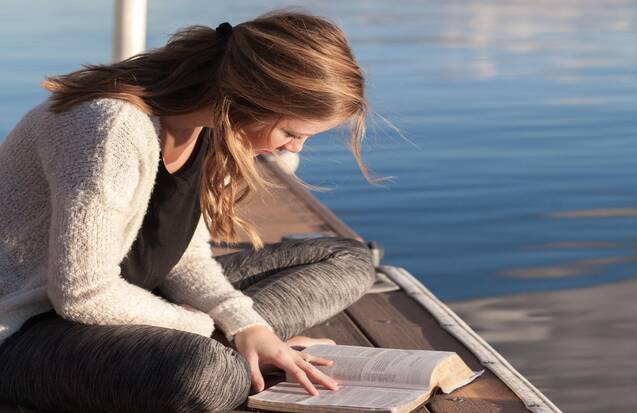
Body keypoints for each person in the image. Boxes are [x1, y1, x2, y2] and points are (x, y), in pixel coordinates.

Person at [0, 9, 379, 413]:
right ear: (250, 98)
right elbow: (82, 294)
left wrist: (248, 325)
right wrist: (215, 329)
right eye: (291, 133)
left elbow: (182, 256)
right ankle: (235, 351)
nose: (294, 149)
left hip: (136, 298)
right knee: (209, 374)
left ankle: (251, 347)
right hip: (29, 328)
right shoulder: (110, 127)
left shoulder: (206, 127)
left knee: (346, 258)